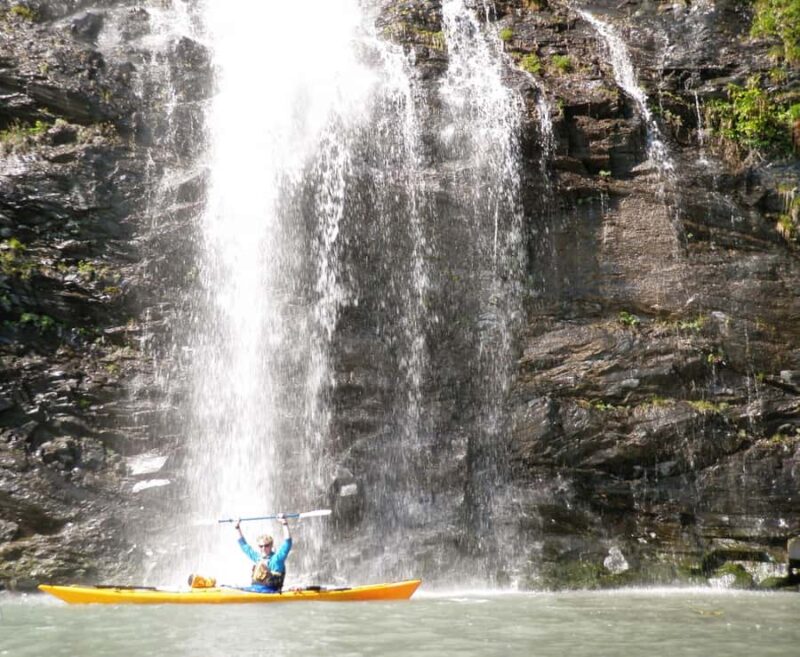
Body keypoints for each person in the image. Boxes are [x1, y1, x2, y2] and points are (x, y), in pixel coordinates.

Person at [234, 513, 292, 592]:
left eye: (266, 545)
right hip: (255, 589)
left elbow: (287, 543)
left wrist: (284, 523)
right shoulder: (257, 558)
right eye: (261, 546)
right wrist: (237, 527)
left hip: (271, 590)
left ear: (271, 545)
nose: (263, 548)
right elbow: (244, 546)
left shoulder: (277, 558)